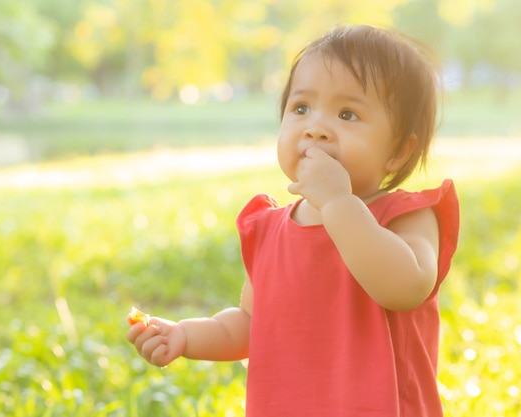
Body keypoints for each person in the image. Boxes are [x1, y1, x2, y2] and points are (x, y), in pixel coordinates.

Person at [127, 24, 459, 417]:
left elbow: (405, 287)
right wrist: (185, 335)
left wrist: (338, 202)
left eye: (347, 114)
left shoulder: (406, 216)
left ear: (399, 152)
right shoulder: (267, 229)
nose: (315, 128)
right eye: (301, 108)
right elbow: (251, 324)